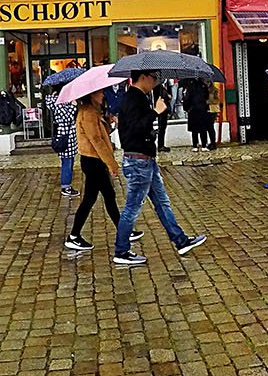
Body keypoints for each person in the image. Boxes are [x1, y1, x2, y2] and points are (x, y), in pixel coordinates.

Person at [113, 70, 205, 266]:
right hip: (138, 161)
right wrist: (155, 112)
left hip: (146, 159)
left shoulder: (139, 97)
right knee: (132, 208)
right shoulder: (133, 99)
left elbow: (140, 127)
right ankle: (121, 251)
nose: (155, 81)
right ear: (143, 77)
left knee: (162, 203)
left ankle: (180, 241)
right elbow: (135, 128)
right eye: (153, 77)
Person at [63, 89, 141, 254]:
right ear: (91, 94)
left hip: (94, 161)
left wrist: (107, 122)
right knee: (98, 198)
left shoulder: (92, 112)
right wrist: (112, 164)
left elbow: (101, 134)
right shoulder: (88, 113)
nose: (103, 95)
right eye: (100, 93)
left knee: (103, 197)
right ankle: (74, 236)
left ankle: (76, 236)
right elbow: (96, 141)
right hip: (93, 161)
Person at [48, 94, 79, 197]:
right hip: (65, 137)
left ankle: (67, 185)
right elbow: (66, 118)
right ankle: (66, 187)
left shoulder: (61, 102)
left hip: (69, 136)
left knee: (69, 162)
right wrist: (73, 106)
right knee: (67, 163)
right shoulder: (59, 103)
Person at [181, 78, 214, 151]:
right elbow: (206, 96)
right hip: (202, 109)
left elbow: (187, 98)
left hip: (193, 110)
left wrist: (186, 108)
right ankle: (204, 145)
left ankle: (195, 145)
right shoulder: (203, 86)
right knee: (203, 129)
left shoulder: (190, 86)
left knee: (194, 130)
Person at [153, 81, 173, 152]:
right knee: (161, 127)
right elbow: (158, 97)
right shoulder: (158, 86)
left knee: (163, 127)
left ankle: (162, 144)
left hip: (166, 108)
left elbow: (170, 95)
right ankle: (160, 145)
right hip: (160, 109)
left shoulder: (167, 85)